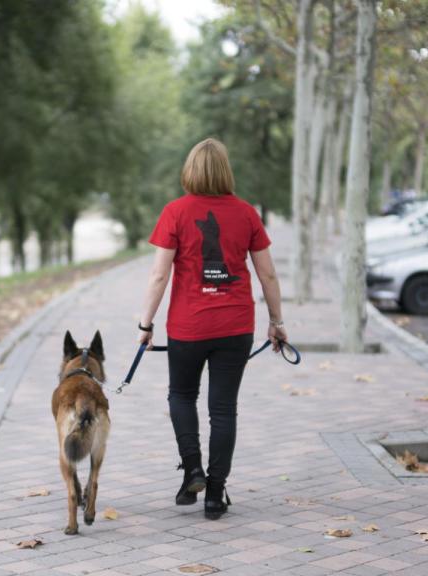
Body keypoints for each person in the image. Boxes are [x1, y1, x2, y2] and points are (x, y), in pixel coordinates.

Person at [137, 138, 287, 520]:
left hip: (188, 326)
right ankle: (216, 493)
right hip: (235, 326)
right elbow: (267, 273)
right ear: (225, 171)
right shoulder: (246, 214)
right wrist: (276, 321)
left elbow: (159, 275)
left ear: (189, 171)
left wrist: (145, 324)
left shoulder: (175, 211)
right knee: (223, 409)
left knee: (181, 396)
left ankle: (193, 470)